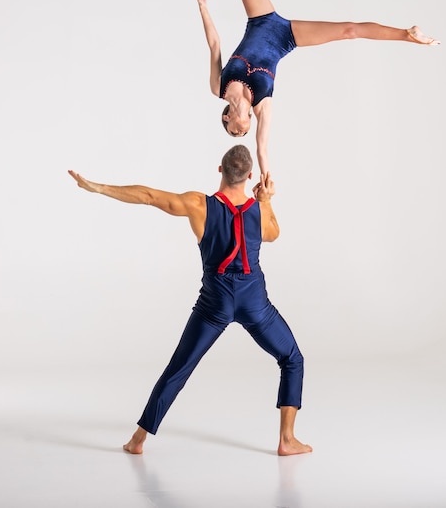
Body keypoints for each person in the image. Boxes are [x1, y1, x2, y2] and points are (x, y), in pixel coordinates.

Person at [68, 145, 311, 456]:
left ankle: (138, 439)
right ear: (250, 175)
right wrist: (265, 200)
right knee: (292, 358)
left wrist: (97, 187)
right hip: (254, 302)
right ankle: (287, 440)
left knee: (179, 368)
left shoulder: (200, 205)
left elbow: (149, 196)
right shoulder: (258, 211)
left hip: (215, 303)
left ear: (220, 170)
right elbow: (273, 233)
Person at [191, 0, 440, 176]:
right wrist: (264, 177)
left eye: (236, 132)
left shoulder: (218, 88)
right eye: (242, 132)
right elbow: (262, 149)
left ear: (228, 117)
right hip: (285, 38)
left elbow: (214, 44)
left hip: (260, 21)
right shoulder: (262, 106)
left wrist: (203, 7)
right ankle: (407, 34)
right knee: (348, 31)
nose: (242, 131)